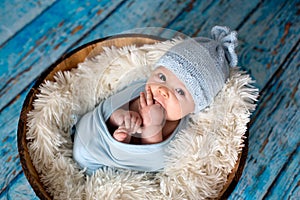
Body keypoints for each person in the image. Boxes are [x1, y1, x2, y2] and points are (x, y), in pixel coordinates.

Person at [72, 25, 238, 174]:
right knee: (115, 118)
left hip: (101, 162)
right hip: (89, 129)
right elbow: (113, 103)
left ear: (196, 107)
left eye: (180, 91)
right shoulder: (141, 90)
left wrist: (153, 127)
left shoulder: (181, 128)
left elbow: (154, 158)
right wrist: (120, 117)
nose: (163, 90)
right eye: (161, 77)